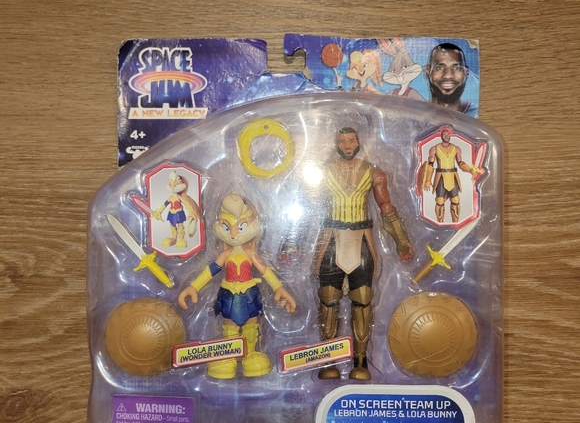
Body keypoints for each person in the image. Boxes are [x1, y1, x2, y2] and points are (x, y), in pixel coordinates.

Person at [314, 128, 413, 381]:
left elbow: (386, 207)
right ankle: (328, 361)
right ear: (336, 143)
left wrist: (402, 241)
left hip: (361, 241)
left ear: (358, 142)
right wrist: (289, 244)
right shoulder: (324, 172)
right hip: (332, 240)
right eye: (342, 141)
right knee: (328, 301)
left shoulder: (374, 173)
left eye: (351, 140)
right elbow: (307, 209)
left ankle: (360, 362)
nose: (347, 145)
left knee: (362, 302)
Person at [178, 193, 296, 379]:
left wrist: (279, 288)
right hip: (230, 295)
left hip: (249, 294)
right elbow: (210, 271)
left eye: (240, 227)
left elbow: (266, 272)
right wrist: (194, 287)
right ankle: (229, 356)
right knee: (230, 328)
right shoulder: (225, 255)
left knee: (251, 326)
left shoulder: (250, 254)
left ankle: (251, 354)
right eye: (227, 227)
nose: (233, 234)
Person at [420, 129, 481, 223]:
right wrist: (428, 180)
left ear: (450, 135)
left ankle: (455, 223)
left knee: (455, 200)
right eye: (444, 135)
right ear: (441, 136)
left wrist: (470, 170)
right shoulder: (435, 149)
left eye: (447, 134)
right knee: (440, 201)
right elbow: (430, 165)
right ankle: (440, 224)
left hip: (453, 176)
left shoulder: (456, 149)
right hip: (440, 177)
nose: (446, 136)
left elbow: (460, 163)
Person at [425, 43, 473, 115]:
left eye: (456, 68)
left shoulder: (478, 115)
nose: (448, 75)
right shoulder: (415, 114)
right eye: (439, 68)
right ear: (428, 72)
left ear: (466, 73)